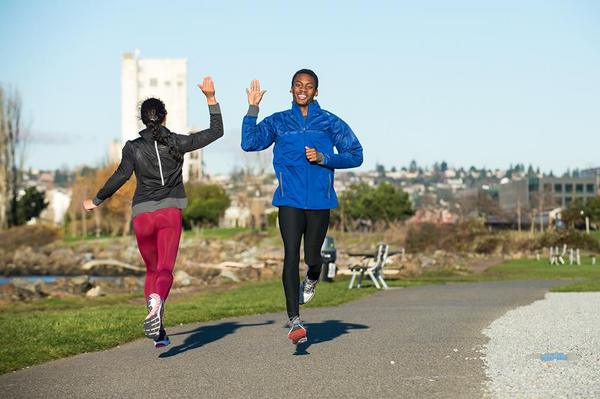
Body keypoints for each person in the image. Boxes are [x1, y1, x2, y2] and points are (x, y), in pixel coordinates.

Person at [83, 77, 223, 348]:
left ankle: (159, 331)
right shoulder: (178, 142)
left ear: (142, 120)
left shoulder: (132, 147)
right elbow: (216, 132)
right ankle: (158, 305)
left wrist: (96, 200)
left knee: (151, 270)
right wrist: (210, 99)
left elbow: (120, 176)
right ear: (164, 117)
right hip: (169, 213)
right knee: (165, 270)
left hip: (142, 216)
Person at [241, 69, 363, 344]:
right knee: (290, 254)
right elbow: (249, 143)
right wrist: (253, 108)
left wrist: (324, 158)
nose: (303, 89)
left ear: (316, 91)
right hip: (289, 199)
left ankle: (313, 275)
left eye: (308, 86)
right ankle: (294, 320)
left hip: (320, 201)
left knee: (312, 256)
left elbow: (356, 155)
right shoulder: (280, 122)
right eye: (298, 85)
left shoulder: (329, 122)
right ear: (291, 89)